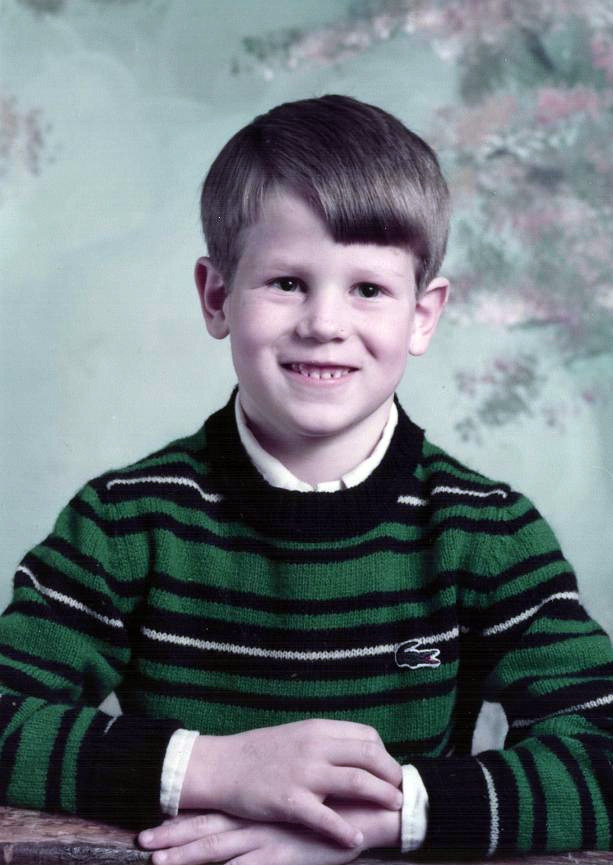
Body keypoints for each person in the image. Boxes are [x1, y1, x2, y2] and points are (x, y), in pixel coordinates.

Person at [2, 95, 612, 865]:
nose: (324, 322)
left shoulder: (485, 533)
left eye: (367, 289)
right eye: (287, 281)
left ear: (423, 315)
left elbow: (600, 749)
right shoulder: (125, 522)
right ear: (216, 297)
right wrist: (212, 769)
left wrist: (379, 816)